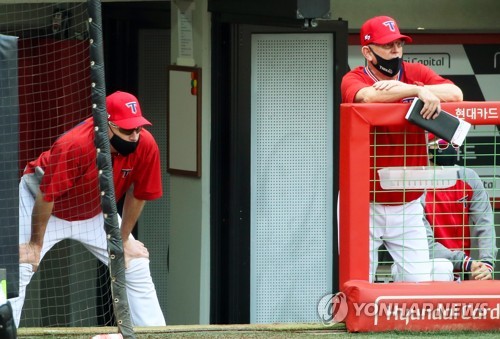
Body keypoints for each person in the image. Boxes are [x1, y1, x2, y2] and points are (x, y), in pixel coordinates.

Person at [9, 91, 166, 327]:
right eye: (126, 130)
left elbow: (138, 193)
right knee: (16, 268)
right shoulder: (74, 144)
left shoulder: (146, 145)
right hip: (42, 207)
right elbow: (47, 196)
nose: (134, 136)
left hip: (94, 211)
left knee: (135, 263)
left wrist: (122, 241)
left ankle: (155, 334)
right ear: (106, 124)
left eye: (138, 129)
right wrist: (34, 245)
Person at [341, 15, 463, 282]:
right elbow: (369, 96)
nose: (395, 52)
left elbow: (456, 95)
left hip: (407, 202)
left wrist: (411, 88)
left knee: (418, 280)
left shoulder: (415, 72)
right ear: (367, 52)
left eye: (399, 44)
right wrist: (419, 92)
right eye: (387, 46)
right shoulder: (354, 77)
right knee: (359, 279)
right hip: (364, 201)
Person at [392, 137, 497, 281]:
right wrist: (466, 262)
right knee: (442, 268)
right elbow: (423, 243)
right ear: (426, 150)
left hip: (460, 268)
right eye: (443, 144)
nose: (451, 148)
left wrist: (486, 263)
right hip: (415, 263)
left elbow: (485, 224)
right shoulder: (414, 184)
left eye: (454, 144)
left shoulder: (468, 177)